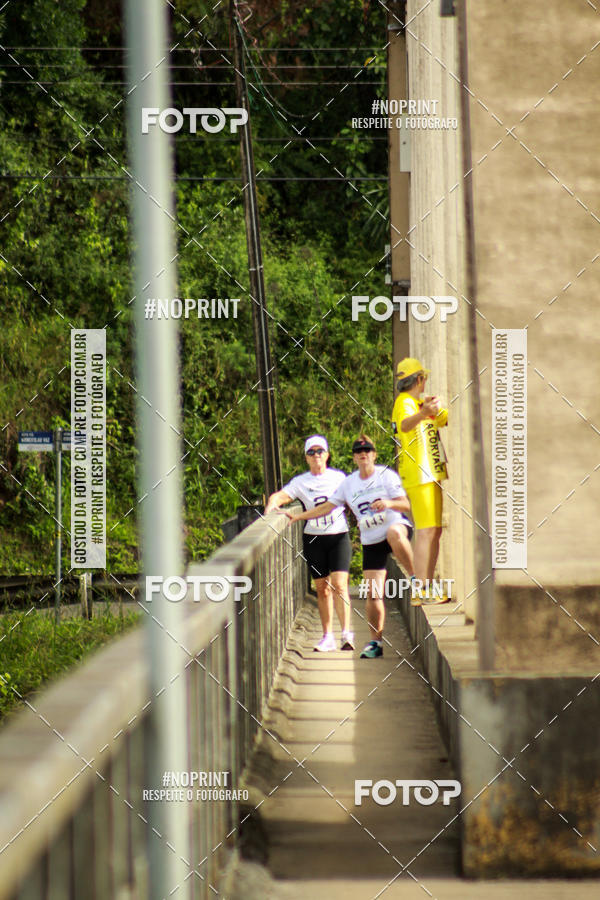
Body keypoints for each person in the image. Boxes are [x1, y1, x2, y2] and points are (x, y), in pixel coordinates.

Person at [284, 434, 415, 659]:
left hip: (395, 526)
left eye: (367, 451)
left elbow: (405, 504)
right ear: (354, 458)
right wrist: (299, 517)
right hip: (372, 540)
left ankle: (417, 579)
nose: (363, 454)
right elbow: (327, 507)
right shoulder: (348, 484)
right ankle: (376, 642)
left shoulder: (386, 476)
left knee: (394, 533)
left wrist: (389, 503)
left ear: (374, 454)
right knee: (373, 596)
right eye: (358, 452)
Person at [265, 435, 354, 651]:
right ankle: (327, 637)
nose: (316, 456)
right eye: (311, 452)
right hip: (314, 538)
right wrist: (271, 505)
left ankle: (346, 633)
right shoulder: (301, 482)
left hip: (338, 535)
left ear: (327, 455)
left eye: (320, 451)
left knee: (340, 585)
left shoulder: (338, 478)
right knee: (322, 588)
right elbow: (281, 496)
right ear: (306, 457)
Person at [391, 358, 448, 602]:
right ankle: (421, 588)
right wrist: (424, 412)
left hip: (431, 472)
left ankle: (428, 584)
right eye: (424, 377)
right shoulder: (404, 402)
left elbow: (442, 419)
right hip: (419, 474)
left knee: (434, 531)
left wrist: (433, 409)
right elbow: (404, 425)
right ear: (419, 379)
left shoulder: (417, 402)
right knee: (426, 532)